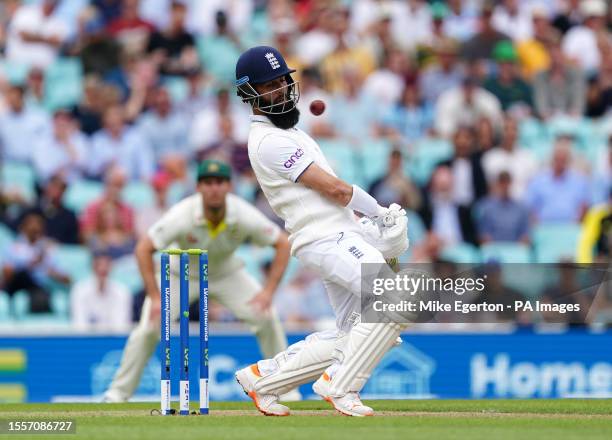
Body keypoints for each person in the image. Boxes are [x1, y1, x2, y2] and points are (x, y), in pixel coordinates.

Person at [233, 46, 409, 417]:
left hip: (338, 236)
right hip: (326, 239)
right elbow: (335, 190)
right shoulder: (269, 142)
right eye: (270, 84)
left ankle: (263, 379)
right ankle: (340, 384)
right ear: (250, 93)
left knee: (358, 334)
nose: (281, 88)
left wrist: (365, 227)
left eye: (283, 79)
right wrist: (380, 212)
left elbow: (334, 199)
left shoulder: (290, 132)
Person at [103, 159, 296, 403]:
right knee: (148, 329)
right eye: (207, 183)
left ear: (228, 187)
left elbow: (282, 243)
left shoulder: (242, 213)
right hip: (181, 274)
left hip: (227, 273)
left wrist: (268, 291)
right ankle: (118, 394)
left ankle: (288, 391)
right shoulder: (182, 215)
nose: (213, 188)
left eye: (219, 182)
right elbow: (143, 248)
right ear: (198, 188)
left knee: (266, 318)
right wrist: (154, 297)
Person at [70, 250, 132, 331]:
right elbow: (79, 325)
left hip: (114, 341)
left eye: (106, 265)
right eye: (98, 265)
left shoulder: (122, 292)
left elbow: (121, 325)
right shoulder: (79, 290)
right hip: (86, 341)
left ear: (111, 267)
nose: (102, 269)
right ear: (92, 267)